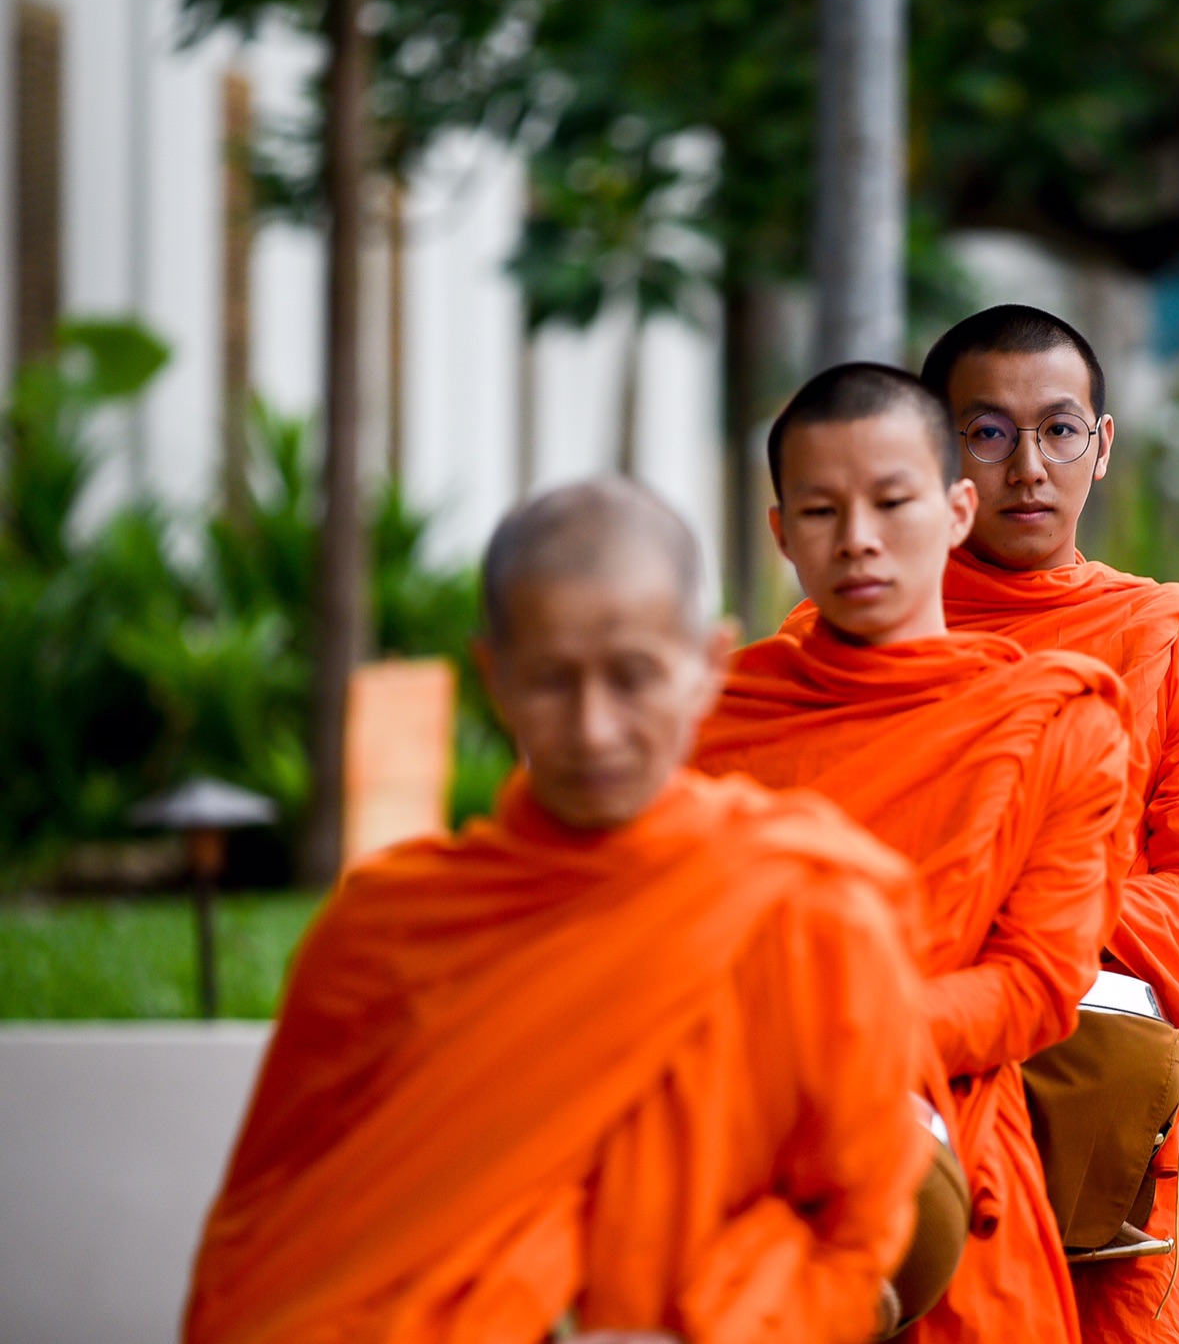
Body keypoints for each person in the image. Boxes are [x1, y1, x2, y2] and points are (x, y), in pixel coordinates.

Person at [185, 478, 931, 1344]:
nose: (593, 729)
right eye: (551, 681)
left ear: (709, 665)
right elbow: (270, 1242)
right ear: (494, 676)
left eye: (632, 677)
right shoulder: (391, 929)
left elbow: (856, 1229)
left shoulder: (809, 907)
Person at [694, 363, 1131, 1344]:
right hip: (736, 1186)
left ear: (955, 508)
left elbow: (1037, 981)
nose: (858, 538)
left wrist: (844, 1036)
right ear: (780, 535)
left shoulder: (1053, 721)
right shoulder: (717, 719)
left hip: (948, 1183)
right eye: (820, 510)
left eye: (893, 502)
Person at [915, 304, 1179, 1342]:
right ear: (939, 449)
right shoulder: (864, 640)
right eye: (987, 431)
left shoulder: (1174, 641)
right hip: (913, 1105)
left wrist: (1018, 932)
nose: (1028, 466)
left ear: (1102, 449)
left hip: (1102, 1114)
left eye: (1059, 430)